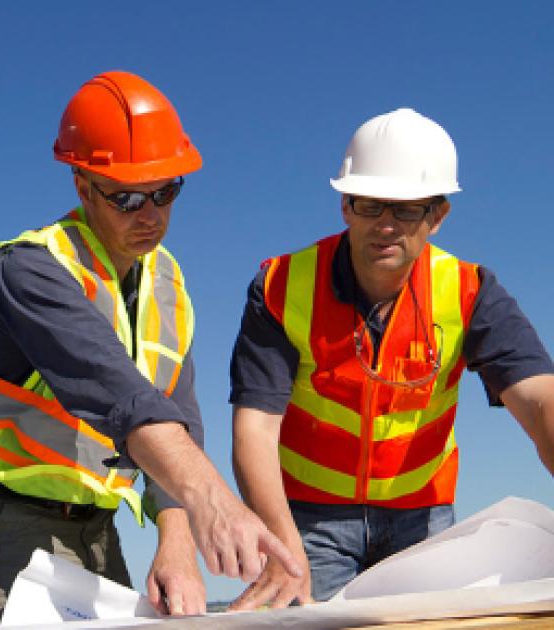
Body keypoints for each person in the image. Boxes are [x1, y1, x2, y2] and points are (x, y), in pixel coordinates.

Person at [0, 70, 299, 630]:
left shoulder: (167, 282)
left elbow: (178, 413)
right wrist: (214, 502)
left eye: (165, 192)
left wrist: (176, 539)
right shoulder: (32, 270)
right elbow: (123, 396)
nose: (149, 214)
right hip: (1, 518)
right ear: (83, 186)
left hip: (96, 523)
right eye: (127, 197)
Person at [228, 108, 554, 609]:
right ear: (345, 205)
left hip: (421, 518)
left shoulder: (471, 292)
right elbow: (254, 429)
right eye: (370, 205)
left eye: (405, 209)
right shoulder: (280, 285)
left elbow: (538, 399)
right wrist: (280, 543)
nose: (385, 225)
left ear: (437, 216)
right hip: (307, 520)